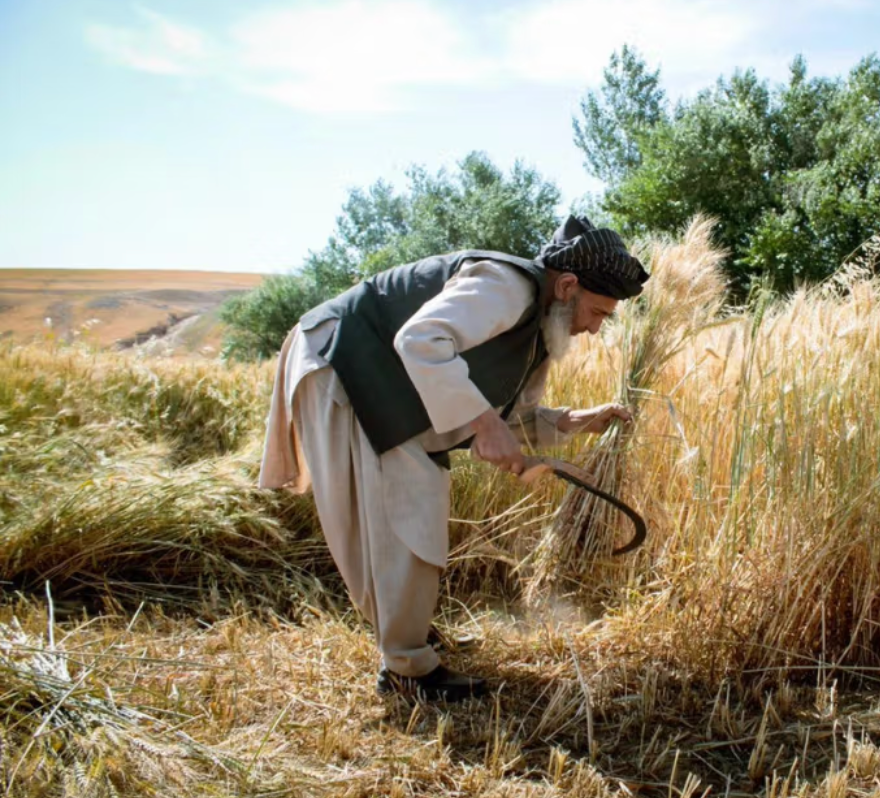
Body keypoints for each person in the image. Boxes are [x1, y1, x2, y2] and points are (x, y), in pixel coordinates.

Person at [257, 216, 649, 704]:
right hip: (342, 360)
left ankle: (407, 638)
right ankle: (406, 667)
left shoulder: (538, 331)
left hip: (373, 374)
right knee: (406, 503)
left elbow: (513, 416)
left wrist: (575, 420)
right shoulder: (505, 286)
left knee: (413, 500)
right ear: (567, 286)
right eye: (597, 312)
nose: (593, 328)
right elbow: (419, 341)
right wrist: (484, 425)